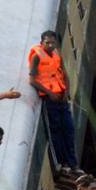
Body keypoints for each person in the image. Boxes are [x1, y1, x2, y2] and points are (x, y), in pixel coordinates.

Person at [27, 30, 77, 170]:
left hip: (61, 97)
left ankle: (72, 163)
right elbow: (32, 80)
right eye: (47, 42)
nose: (50, 45)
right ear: (42, 42)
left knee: (69, 129)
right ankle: (60, 163)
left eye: (52, 42)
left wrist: (67, 90)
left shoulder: (56, 54)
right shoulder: (37, 56)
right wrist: (48, 93)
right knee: (55, 131)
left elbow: (64, 74)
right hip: (50, 100)